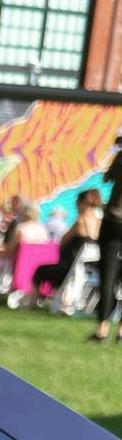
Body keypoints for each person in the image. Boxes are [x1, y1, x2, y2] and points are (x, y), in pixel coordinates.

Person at [34, 190, 102, 297]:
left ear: (81, 203)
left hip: (70, 269)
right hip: (90, 271)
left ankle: (34, 300)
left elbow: (62, 241)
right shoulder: (100, 223)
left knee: (40, 270)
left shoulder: (81, 221)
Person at [92, 143, 122, 343]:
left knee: (108, 276)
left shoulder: (119, 157)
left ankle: (102, 328)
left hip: (113, 221)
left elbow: (106, 178)